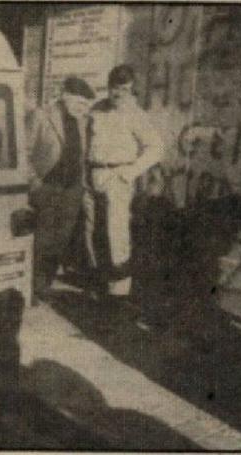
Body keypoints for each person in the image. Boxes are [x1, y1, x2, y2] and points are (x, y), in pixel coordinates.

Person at [83, 65, 164, 310]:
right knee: (91, 230)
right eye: (116, 89)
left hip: (118, 176)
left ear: (131, 91)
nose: (119, 94)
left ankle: (119, 294)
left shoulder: (135, 115)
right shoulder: (96, 109)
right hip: (94, 174)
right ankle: (98, 281)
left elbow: (156, 148)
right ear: (109, 87)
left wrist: (130, 173)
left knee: (116, 234)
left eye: (125, 90)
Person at [26, 77, 96, 301]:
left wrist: (82, 187)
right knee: (42, 239)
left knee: (61, 239)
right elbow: (22, 152)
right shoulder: (41, 115)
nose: (84, 109)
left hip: (72, 189)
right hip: (47, 187)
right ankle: (33, 287)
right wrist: (34, 183)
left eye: (87, 105)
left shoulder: (82, 121)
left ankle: (45, 284)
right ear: (65, 96)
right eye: (80, 103)